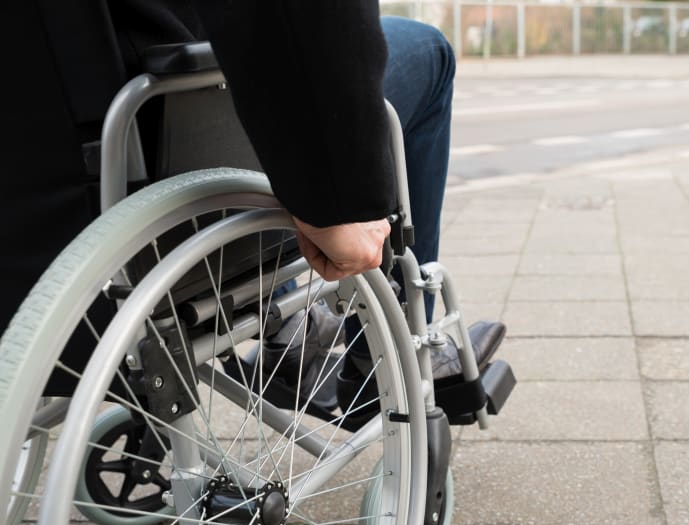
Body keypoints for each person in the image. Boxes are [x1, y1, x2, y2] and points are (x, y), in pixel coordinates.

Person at [2, 1, 504, 411]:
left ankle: (289, 329)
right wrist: (339, 199)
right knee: (429, 51)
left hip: (39, 220)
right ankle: (388, 363)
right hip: (163, 156)